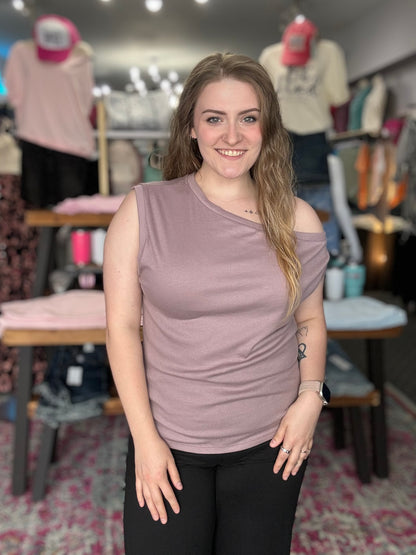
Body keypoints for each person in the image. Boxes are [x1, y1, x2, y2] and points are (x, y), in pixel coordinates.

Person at [103, 52, 330, 555]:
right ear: (191, 127)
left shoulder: (298, 219)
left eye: (248, 118)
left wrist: (311, 397)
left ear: (268, 127)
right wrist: (145, 439)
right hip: (169, 442)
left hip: (272, 443)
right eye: (214, 118)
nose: (232, 135)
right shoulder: (143, 209)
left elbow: (310, 318)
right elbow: (120, 328)